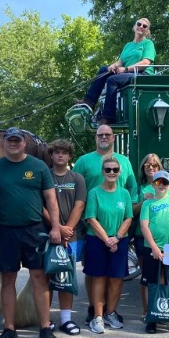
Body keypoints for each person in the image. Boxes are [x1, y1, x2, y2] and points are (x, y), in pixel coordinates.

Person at [0, 127, 62, 338]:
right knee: (8, 279)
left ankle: (45, 326)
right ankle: (9, 328)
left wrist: (56, 227)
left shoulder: (38, 166)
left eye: (17, 140)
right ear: (4, 142)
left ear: (23, 143)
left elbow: (51, 200)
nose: (14, 143)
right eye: (10, 140)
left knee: (39, 278)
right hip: (4, 230)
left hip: (34, 229)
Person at [73, 125, 137, 325]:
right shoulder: (84, 161)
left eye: (107, 134)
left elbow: (131, 190)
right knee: (93, 271)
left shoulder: (125, 162)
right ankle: (95, 309)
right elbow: (73, 187)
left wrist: (119, 234)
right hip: (88, 223)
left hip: (117, 223)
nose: (104, 137)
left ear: (113, 137)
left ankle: (110, 311)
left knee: (114, 274)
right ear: (95, 137)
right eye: (100, 134)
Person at [83, 156, 133, 334]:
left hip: (119, 239)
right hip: (97, 240)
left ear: (119, 173)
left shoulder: (124, 194)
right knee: (98, 277)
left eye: (115, 170)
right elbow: (91, 218)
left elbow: (128, 217)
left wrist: (117, 237)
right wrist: (107, 239)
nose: (112, 172)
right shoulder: (94, 192)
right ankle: (97, 316)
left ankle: (110, 313)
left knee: (116, 278)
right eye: (108, 169)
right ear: (103, 172)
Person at [43, 139, 86, 336]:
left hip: (72, 235)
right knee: (46, 277)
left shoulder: (77, 178)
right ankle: (45, 320)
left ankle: (66, 320)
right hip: (48, 234)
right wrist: (57, 227)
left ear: (70, 156)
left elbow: (80, 205)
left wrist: (67, 229)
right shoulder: (44, 176)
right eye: (56, 152)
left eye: (64, 152)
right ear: (51, 155)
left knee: (66, 277)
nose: (60, 155)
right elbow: (40, 205)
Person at [82, 17, 156, 124]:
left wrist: (125, 69)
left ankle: (108, 116)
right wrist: (113, 66)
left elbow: (145, 63)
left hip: (141, 74)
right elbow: (121, 61)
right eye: (139, 24)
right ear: (134, 26)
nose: (141, 27)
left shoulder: (148, 43)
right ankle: (89, 102)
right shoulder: (128, 45)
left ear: (147, 31)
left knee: (112, 80)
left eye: (144, 26)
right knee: (104, 69)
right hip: (128, 72)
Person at [140, 171, 169, 334]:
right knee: (151, 281)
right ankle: (151, 317)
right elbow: (144, 225)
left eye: (165, 183)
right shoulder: (147, 204)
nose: (162, 186)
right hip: (152, 248)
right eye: (158, 183)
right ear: (153, 185)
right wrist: (153, 247)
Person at [132, 153, 169, 318]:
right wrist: (144, 201)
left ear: (159, 168)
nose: (151, 168)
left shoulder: (168, 186)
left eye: (154, 165)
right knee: (146, 276)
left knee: (164, 275)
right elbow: (132, 211)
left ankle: (161, 310)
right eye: (147, 165)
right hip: (143, 237)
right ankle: (146, 311)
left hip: (166, 239)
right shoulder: (138, 187)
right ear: (143, 167)